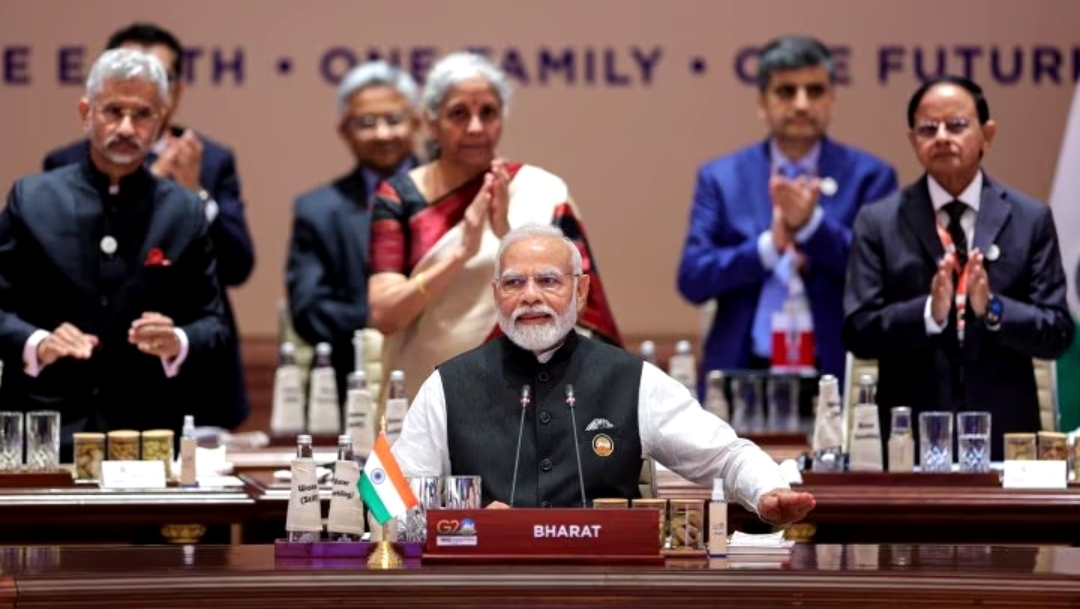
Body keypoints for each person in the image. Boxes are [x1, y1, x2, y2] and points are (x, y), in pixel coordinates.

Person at [393, 224, 815, 522]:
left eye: (548, 280)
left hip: (604, 589)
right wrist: (467, 520)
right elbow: (392, 500)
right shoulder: (447, 386)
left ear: (580, 291)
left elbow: (725, 455)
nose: (530, 296)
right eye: (514, 283)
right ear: (496, 294)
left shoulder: (632, 379)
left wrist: (766, 491)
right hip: (487, 591)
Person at [0, 49, 229, 448]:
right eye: (113, 111)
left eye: (142, 114)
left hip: (146, 432)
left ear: (160, 121)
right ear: (86, 112)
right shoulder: (32, 198)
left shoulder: (183, 210)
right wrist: (38, 343)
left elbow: (214, 326)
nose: (126, 127)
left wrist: (177, 339)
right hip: (44, 429)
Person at [843, 76, 1072, 460]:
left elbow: (1058, 332)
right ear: (913, 140)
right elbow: (857, 331)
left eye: (956, 125)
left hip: (1007, 437)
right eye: (928, 129)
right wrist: (928, 314)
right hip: (908, 442)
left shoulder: (1029, 219)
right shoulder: (878, 222)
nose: (942, 137)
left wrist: (993, 308)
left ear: (987, 134)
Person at [368, 52, 621, 401]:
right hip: (425, 395)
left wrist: (507, 236)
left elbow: (580, 304)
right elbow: (385, 315)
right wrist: (461, 253)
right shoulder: (399, 197)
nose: (475, 127)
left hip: (525, 395)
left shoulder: (542, 191)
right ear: (430, 122)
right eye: (459, 113)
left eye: (487, 112)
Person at [43, 23, 254, 430]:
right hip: (88, 370)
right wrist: (146, 189)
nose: (139, 79)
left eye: (158, 74)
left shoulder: (210, 159)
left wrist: (194, 193)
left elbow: (238, 265)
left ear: (175, 92)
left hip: (188, 375)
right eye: (126, 69)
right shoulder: (63, 164)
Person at [677, 36, 897, 386]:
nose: (801, 104)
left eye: (815, 91)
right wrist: (768, 247)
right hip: (741, 375)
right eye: (786, 91)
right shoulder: (721, 177)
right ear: (761, 103)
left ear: (833, 99)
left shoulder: (870, 177)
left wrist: (812, 228)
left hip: (834, 376)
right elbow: (692, 278)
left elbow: (883, 273)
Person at [286, 61, 422, 403]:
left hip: (445, 377)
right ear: (344, 130)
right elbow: (308, 310)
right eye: (366, 123)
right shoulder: (317, 210)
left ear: (417, 122)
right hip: (351, 389)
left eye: (394, 119)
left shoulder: (456, 195)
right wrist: (386, 316)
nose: (382, 133)